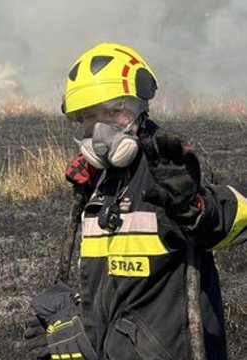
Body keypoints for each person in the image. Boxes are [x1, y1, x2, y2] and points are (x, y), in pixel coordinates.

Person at [25, 42, 247, 360]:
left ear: (141, 108)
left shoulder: (170, 170)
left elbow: (230, 218)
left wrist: (194, 208)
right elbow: (115, 285)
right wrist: (76, 322)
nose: (100, 129)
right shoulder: (100, 185)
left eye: (114, 111)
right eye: (89, 116)